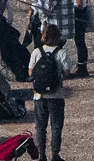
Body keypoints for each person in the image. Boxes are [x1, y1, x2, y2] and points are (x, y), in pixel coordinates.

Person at [28, 24, 71, 159]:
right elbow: (67, 73)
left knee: (40, 127)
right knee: (56, 126)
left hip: (39, 95)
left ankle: (42, 155)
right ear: (58, 37)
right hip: (56, 95)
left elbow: (30, 72)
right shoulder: (61, 53)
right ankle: (55, 154)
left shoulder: (36, 52)